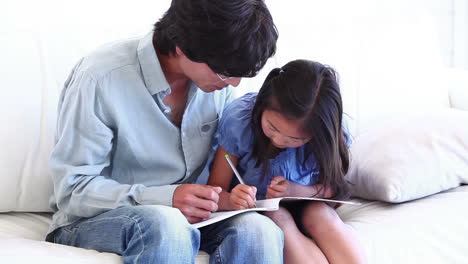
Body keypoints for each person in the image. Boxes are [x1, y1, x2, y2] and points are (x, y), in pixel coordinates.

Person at [46, 1, 283, 263]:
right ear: (182, 47)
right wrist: (167, 198)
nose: (234, 83)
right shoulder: (101, 78)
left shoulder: (217, 84)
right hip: (96, 220)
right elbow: (72, 190)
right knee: (166, 223)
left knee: (259, 231)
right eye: (225, 72)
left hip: (192, 218)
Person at [208, 59, 367, 264]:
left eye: (295, 139)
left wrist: (296, 191)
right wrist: (232, 199)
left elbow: (336, 193)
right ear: (261, 106)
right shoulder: (240, 120)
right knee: (277, 218)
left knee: (319, 214)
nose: (279, 141)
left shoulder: (329, 133)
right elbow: (214, 189)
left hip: (309, 204)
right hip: (261, 211)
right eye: (272, 127)